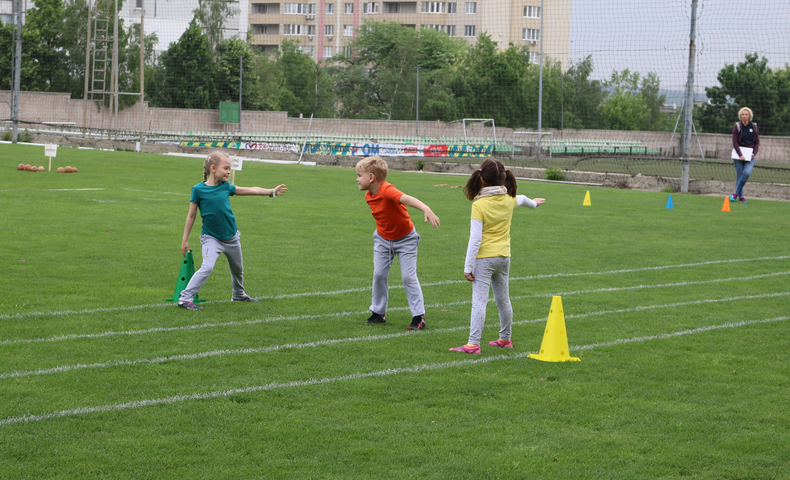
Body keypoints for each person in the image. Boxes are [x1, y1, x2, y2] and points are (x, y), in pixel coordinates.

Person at [450, 159, 545, 354]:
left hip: (484, 259)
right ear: (503, 178)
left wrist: (468, 267)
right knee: (503, 299)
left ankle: (473, 344)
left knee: (479, 301)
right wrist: (534, 204)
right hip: (504, 257)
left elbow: (475, 238)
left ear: (482, 180)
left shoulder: (479, 205)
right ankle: (505, 339)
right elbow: (524, 198)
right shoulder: (509, 199)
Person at [178, 152, 287, 310]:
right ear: (214, 168)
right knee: (207, 267)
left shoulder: (226, 187)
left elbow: (252, 190)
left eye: (230, 168)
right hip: (211, 238)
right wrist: (184, 239)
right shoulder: (198, 190)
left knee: (238, 269)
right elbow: (191, 215)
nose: (229, 172)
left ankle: (239, 295)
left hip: (231, 238)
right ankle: (185, 298)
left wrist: (272, 191)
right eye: (226, 168)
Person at [356, 155, 440, 330]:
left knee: (408, 277)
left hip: (406, 240)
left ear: (371, 177)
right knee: (379, 275)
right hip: (382, 240)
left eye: (359, 175)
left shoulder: (388, 190)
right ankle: (378, 313)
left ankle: (418, 316)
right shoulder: (368, 195)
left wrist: (426, 208)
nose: (357, 179)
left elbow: (407, 199)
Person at [731, 107, 760, 204]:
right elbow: (734, 141)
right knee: (739, 175)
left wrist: (754, 153)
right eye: (742, 114)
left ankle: (735, 193)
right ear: (740, 115)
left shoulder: (754, 126)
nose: (744, 116)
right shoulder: (737, 126)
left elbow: (757, 142)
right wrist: (740, 154)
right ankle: (741, 197)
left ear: (749, 116)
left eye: (746, 114)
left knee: (747, 173)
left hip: (750, 155)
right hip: (739, 153)